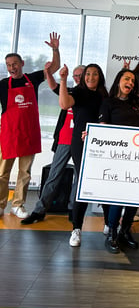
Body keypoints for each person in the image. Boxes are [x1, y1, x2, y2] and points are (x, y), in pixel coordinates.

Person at [0, 33, 60, 219]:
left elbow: (55, 67)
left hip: (28, 132)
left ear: (22, 63)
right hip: (9, 134)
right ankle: (1, 205)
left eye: (15, 64)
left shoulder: (32, 79)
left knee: (24, 172)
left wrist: (55, 49)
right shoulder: (2, 84)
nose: (12, 68)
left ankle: (18, 205)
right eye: (9, 65)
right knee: (2, 173)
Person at [21, 64, 85, 225]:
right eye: (75, 75)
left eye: (80, 75)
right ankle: (39, 210)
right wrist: (49, 72)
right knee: (53, 175)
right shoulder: (70, 91)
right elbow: (54, 87)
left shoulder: (93, 95)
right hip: (64, 139)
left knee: (79, 178)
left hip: (81, 142)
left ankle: (73, 209)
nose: (77, 78)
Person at [98, 69, 139, 253]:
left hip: (138, 157)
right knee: (117, 197)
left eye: (133, 81)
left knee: (133, 197)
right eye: (127, 78)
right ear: (119, 80)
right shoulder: (108, 102)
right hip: (117, 158)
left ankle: (125, 231)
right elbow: (102, 129)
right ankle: (112, 232)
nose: (130, 83)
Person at [58, 63, 108, 247]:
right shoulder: (78, 93)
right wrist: (63, 79)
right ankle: (76, 228)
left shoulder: (105, 96)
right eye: (88, 74)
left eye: (95, 74)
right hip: (80, 144)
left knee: (104, 181)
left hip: (102, 145)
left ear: (100, 77)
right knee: (82, 184)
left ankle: (109, 223)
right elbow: (64, 104)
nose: (91, 77)